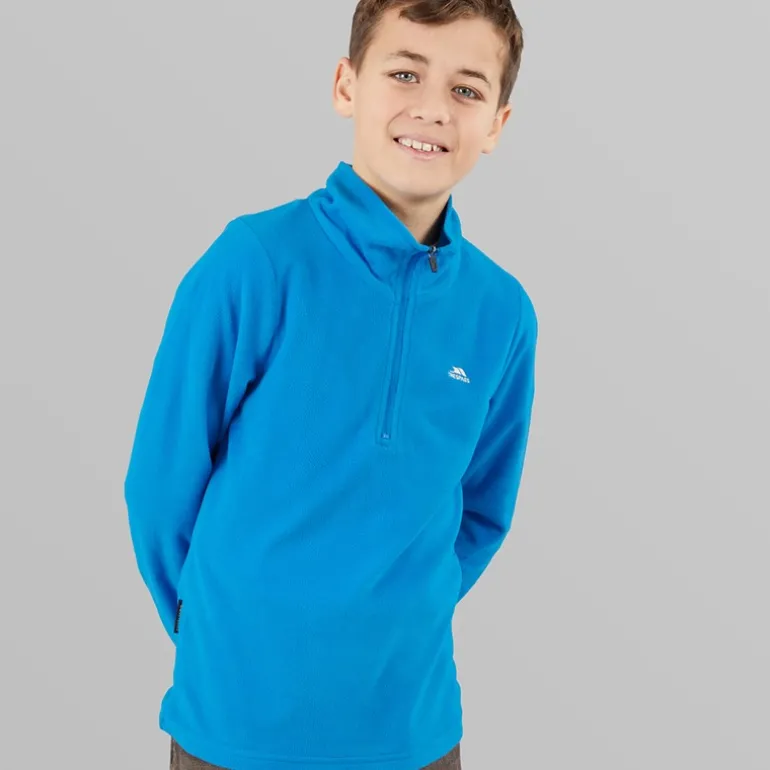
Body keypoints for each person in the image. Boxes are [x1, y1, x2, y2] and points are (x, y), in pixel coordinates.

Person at [124, 1, 538, 768]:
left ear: (497, 125)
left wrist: (398, 616)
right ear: (347, 85)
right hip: (236, 727)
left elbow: (482, 509)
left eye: (466, 89)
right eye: (405, 73)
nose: (432, 108)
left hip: (410, 733)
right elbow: (161, 484)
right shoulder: (255, 262)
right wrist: (222, 628)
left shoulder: (501, 312)